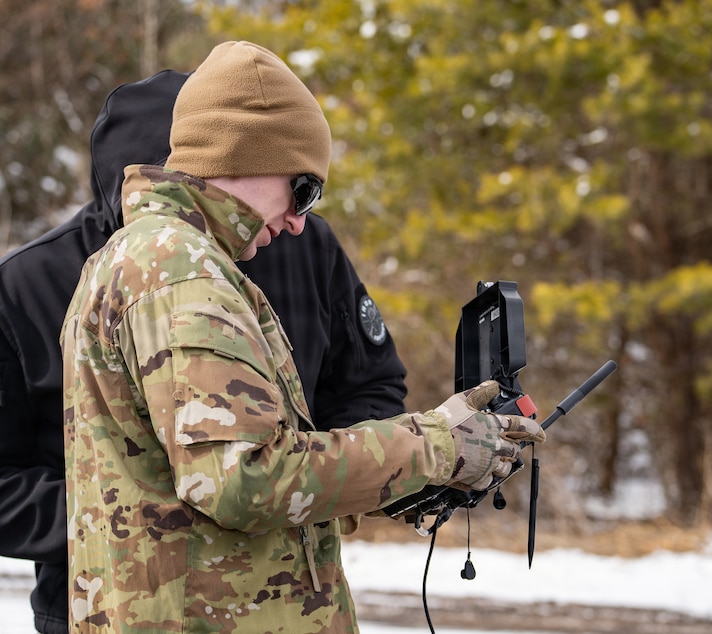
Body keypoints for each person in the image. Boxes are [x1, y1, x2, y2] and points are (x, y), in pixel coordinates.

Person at [61, 41, 545, 633]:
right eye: (304, 190)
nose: (298, 222)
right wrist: (434, 446)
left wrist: (413, 467)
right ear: (246, 154)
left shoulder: (153, 258)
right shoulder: (182, 272)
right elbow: (246, 481)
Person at [0, 68, 407, 633]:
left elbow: (369, 385)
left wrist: (341, 476)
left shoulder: (299, 242)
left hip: (279, 602)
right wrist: (141, 520)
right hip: (125, 604)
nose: (293, 221)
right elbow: (243, 485)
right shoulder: (46, 283)